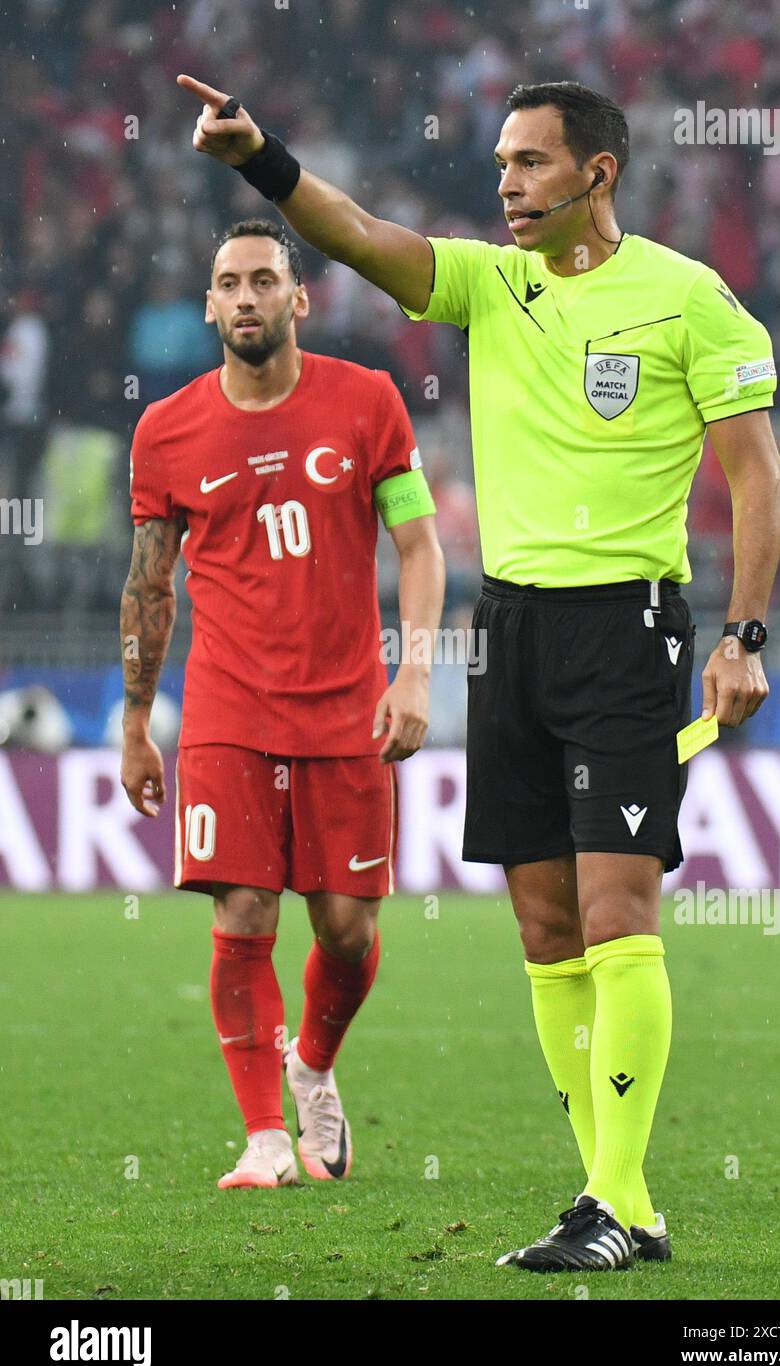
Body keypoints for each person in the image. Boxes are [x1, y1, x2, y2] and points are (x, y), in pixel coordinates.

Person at [177, 74, 780, 1269]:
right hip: (508, 632)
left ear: (594, 173)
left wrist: (741, 632)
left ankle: (613, 1201)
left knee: (617, 912)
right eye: (501, 163)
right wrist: (263, 159)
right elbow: (354, 235)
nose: (504, 184)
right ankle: (621, 1200)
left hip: (628, 626)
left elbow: (755, 476)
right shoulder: (487, 283)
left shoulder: (687, 299)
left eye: (529, 163)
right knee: (545, 927)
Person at [120, 218, 444, 1189]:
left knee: (345, 927)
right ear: (210, 305)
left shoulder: (368, 402)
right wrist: (136, 719)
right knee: (244, 911)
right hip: (225, 703)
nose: (248, 296)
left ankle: (312, 1064)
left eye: (266, 279)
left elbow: (419, 546)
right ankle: (264, 1135)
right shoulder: (167, 429)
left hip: (347, 702)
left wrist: (416, 667)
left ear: (300, 299)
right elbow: (150, 587)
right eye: (230, 283)